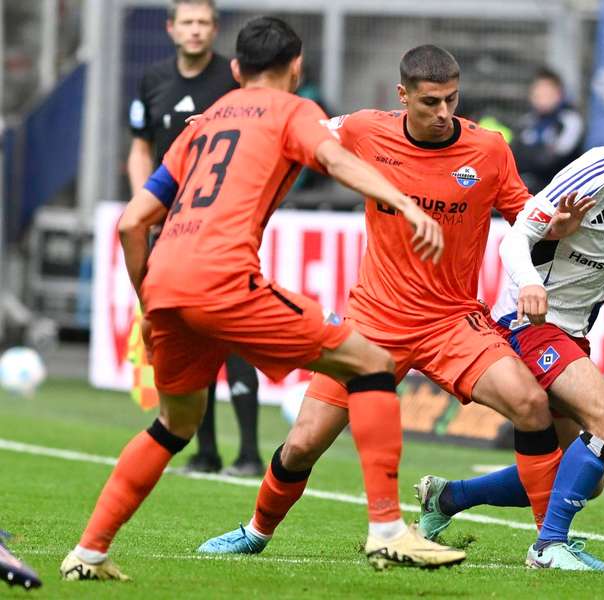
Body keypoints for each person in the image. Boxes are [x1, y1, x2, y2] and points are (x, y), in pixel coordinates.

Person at [60, 17, 454, 582]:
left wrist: (150, 304)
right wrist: (409, 206)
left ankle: (88, 553)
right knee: (371, 362)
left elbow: (130, 223)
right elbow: (339, 161)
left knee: (175, 424)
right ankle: (389, 530)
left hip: (167, 280)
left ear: (237, 69)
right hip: (223, 279)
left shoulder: (206, 120)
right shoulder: (295, 110)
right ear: (297, 67)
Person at [197, 45, 590, 567]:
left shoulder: (489, 150)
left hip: (453, 322)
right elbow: (296, 128)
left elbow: (525, 217)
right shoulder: (364, 130)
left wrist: (556, 227)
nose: (445, 112)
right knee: (302, 445)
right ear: (402, 96)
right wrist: (235, 124)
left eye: (453, 99)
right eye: (430, 102)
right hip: (374, 321)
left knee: (530, 405)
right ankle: (256, 531)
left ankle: (550, 544)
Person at [416, 93, 604, 571]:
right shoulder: (587, 176)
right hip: (529, 324)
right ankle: (548, 546)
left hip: (572, 332)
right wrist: (532, 284)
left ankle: (447, 498)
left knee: (577, 475)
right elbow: (516, 235)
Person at [127, 0, 263, 476]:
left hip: (222, 224)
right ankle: (205, 453)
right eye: (187, 22)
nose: (195, 30)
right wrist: (143, 204)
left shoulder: (233, 78)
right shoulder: (152, 79)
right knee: (187, 330)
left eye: (204, 22)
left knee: (233, 330)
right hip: (170, 225)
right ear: (170, 28)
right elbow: (140, 148)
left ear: (215, 28)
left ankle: (248, 452)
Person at [512, 67, 585, 194]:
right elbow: (513, 157)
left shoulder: (570, 121)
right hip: (528, 188)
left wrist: (529, 156)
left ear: (559, 94)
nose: (542, 98)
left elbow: (552, 160)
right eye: (538, 93)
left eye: (547, 93)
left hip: (560, 191)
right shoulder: (526, 122)